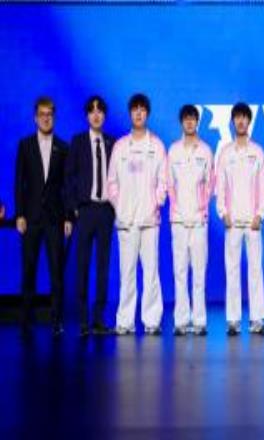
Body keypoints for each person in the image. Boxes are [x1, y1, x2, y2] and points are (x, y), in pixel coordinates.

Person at [107, 93, 167, 335]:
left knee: (151, 272)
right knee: (127, 273)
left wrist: (156, 203)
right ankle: (125, 321)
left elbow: (163, 181)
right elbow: (111, 183)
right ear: (130, 113)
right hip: (126, 221)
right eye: (135, 109)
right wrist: (120, 207)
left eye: (142, 109)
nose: (139, 113)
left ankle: (152, 321)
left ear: (147, 114)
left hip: (150, 221)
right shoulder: (120, 146)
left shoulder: (157, 146)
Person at [15, 96, 72, 336]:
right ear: (35, 118)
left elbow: (67, 186)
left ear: (54, 117)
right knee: (28, 270)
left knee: (56, 272)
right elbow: (20, 182)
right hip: (30, 218)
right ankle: (26, 320)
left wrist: (68, 217)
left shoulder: (63, 147)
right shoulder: (25, 145)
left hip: (55, 219)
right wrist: (19, 214)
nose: (46, 118)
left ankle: (56, 321)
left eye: (49, 114)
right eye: (42, 114)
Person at [216, 102, 264, 336]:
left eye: (244, 117)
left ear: (249, 121)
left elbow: (263, 187)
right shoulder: (226, 153)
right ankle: (233, 320)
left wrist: (260, 214)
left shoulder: (257, 151)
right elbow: (220, 186)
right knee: (232, 270)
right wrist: (223, 213)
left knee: (255, 270)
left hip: (253, 222)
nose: (240, 121)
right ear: (232, 122)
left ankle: (257, 319)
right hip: (232, 221)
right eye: (237, 117)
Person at [65, 96, 116, 337]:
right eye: (92, 111)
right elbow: (69, 177)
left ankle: (98, 318)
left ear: (104, 116)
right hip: (85, 210)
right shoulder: (77, 141)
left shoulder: (112, 142)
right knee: (83, 265)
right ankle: (84, 319)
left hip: (106, 211)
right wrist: (74, 208)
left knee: (103, 266)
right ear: (87, 116)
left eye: (100, 111)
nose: (96, 115)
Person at [167, 105, 214, 336]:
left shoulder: (205, 151)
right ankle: (181, 320)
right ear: (181, 122)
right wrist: (176, 210)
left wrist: (202, 209)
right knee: (179, 271)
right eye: (185, 118)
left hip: (198, 221)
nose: (189, 122)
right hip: (178, 221)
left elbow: (210, 184)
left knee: (199, 272)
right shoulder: (173, 150)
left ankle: (199, 320)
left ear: (197, 122)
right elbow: (169, 184)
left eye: (193, 119)